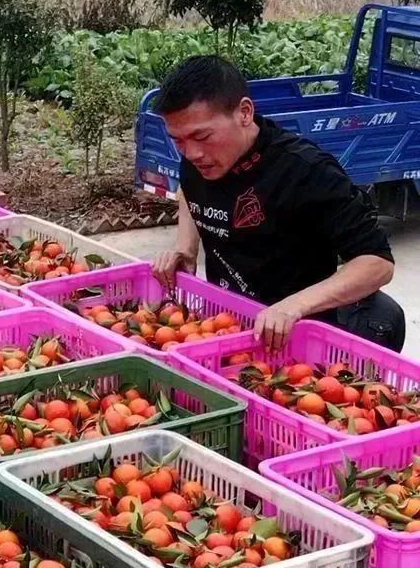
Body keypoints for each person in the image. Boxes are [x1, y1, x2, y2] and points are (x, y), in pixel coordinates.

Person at [151, 55, 406, 352]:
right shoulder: (198, 159)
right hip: (225, 324)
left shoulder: (305, 171)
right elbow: (189, 189)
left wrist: (293, 306)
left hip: (297, 337)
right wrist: (186, 248)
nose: (192, 153)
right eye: (178, 140)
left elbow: (376, 263)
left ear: (244, 112)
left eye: (202, 136)